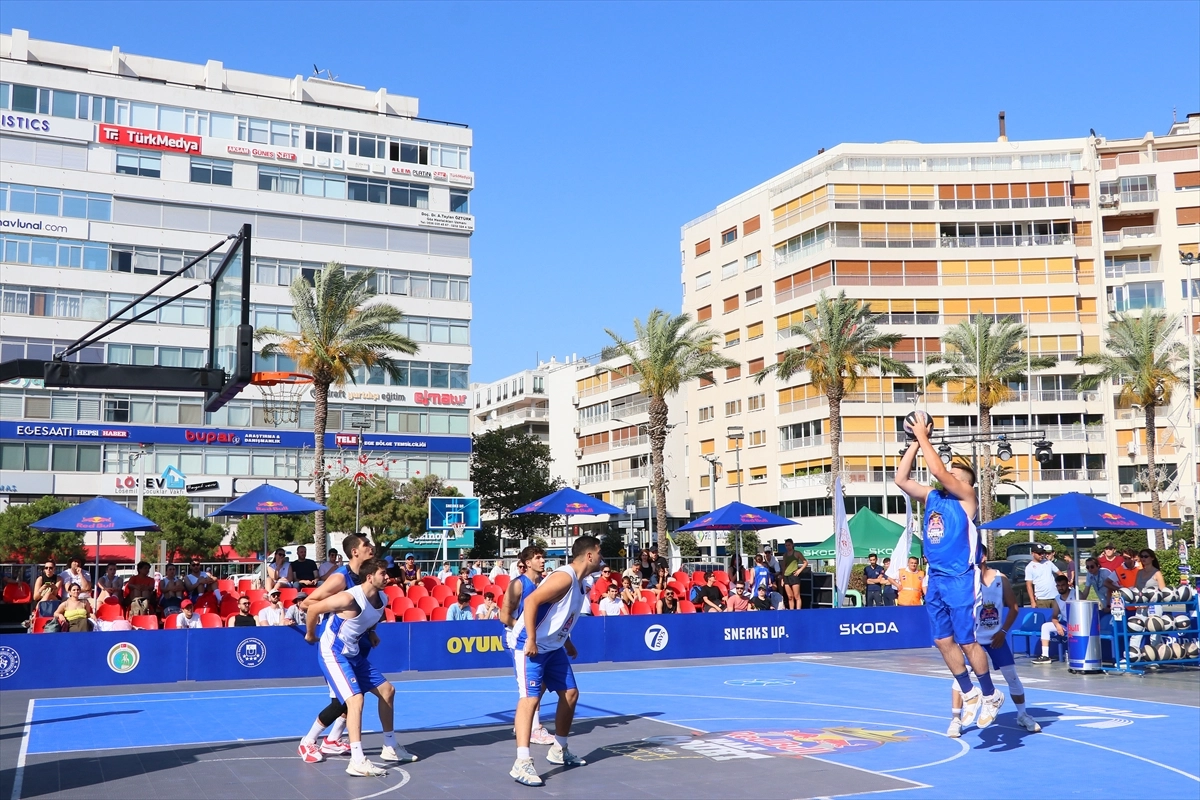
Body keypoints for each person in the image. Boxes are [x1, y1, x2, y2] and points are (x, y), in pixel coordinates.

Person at [895, 416, 1004, 729]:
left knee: (968, 642)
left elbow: (938, 471)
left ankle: (990, 693)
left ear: (966, 482)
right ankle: (969, 693)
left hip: (960, 577)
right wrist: (916, 441)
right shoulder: (933, 497)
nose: (948, 476)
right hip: (937, 578)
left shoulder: (967, 498)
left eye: (955, 474)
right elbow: (901, 479)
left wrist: (923, 436)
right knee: (943, 641)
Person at [298, 534, 408, 764]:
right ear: (355, 552)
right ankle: (309, 742)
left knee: (360, 696)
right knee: (344, 700)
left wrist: (370, 631)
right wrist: (334, 618)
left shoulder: (373, 582)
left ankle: (334, 739)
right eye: (366, 545)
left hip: (357, 642)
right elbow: (309, 604)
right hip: (336, 644)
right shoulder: (341, 579)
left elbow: (371, 608)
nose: (371, 547)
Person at [507, 535, 599, 786]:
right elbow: (531, 600)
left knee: (570, 693)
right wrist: (532, 639)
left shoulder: (581, 582)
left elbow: (560, 615)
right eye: (600, 552)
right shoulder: (564, 577)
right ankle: (521, 761)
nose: (602, 558)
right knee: (529, 699)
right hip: (530, 644)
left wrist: (566, 641)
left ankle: (559, 748)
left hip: (554, 645)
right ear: (589, 555)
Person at [948, 549, 1041, 736]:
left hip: (996, 638)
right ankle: (956, 719)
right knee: (961, 677)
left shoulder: (1001, 578)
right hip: (973, 640)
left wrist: (1003, 631)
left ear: (983, 557)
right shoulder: (966, 580)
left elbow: (1014, 608)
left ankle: (1022, 714)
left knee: (1012, 677)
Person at [500, 545, 555, 748]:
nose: (543, 561)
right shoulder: (518, 585)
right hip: (515, 637)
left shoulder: (544, 584)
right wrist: (525, 629)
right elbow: (503, 616)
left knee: (542, 680)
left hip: (534, 637)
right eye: (538, 557)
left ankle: (526, 722)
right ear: (528, 562)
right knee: (529, 684)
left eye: (543, 557)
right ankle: (533, 728)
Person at [1033, 574, 1076, 664]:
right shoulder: (1057, 598)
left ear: (1068, 584)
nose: (1061, 588)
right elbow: (1054, 617)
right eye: (1058, 586)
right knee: (1045, 626)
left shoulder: (1075, 593)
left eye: (1063, 585)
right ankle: (1045, 656)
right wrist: (1058, 625)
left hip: (1076, 624)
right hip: (1065, 624)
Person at [1024, 544, 1062, 609]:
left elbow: (1060, 573)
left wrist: (1066, 583)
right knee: (1045, 618)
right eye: (1039, 553)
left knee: (1057, 617)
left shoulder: (1048, 562)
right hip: (1041, 599)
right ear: (1033, 553)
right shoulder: (1029, 567)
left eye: (1043, 553)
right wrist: (1032, 601)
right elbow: (1029, 585)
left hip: (1055, 596)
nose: (1042, 555)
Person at [780, 539, 807, 610]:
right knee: (789, 596)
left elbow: (805, 562)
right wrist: (782, 578)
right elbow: (784, 567)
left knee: (796, 596)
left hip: (794, 576)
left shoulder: (797, 553)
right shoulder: (785, 555)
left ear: (792, 545)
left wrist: (799, 570)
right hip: (786, 576)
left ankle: (798, 611)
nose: (787, 547)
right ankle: (791, 611)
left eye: (789, 545)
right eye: (786, 545)